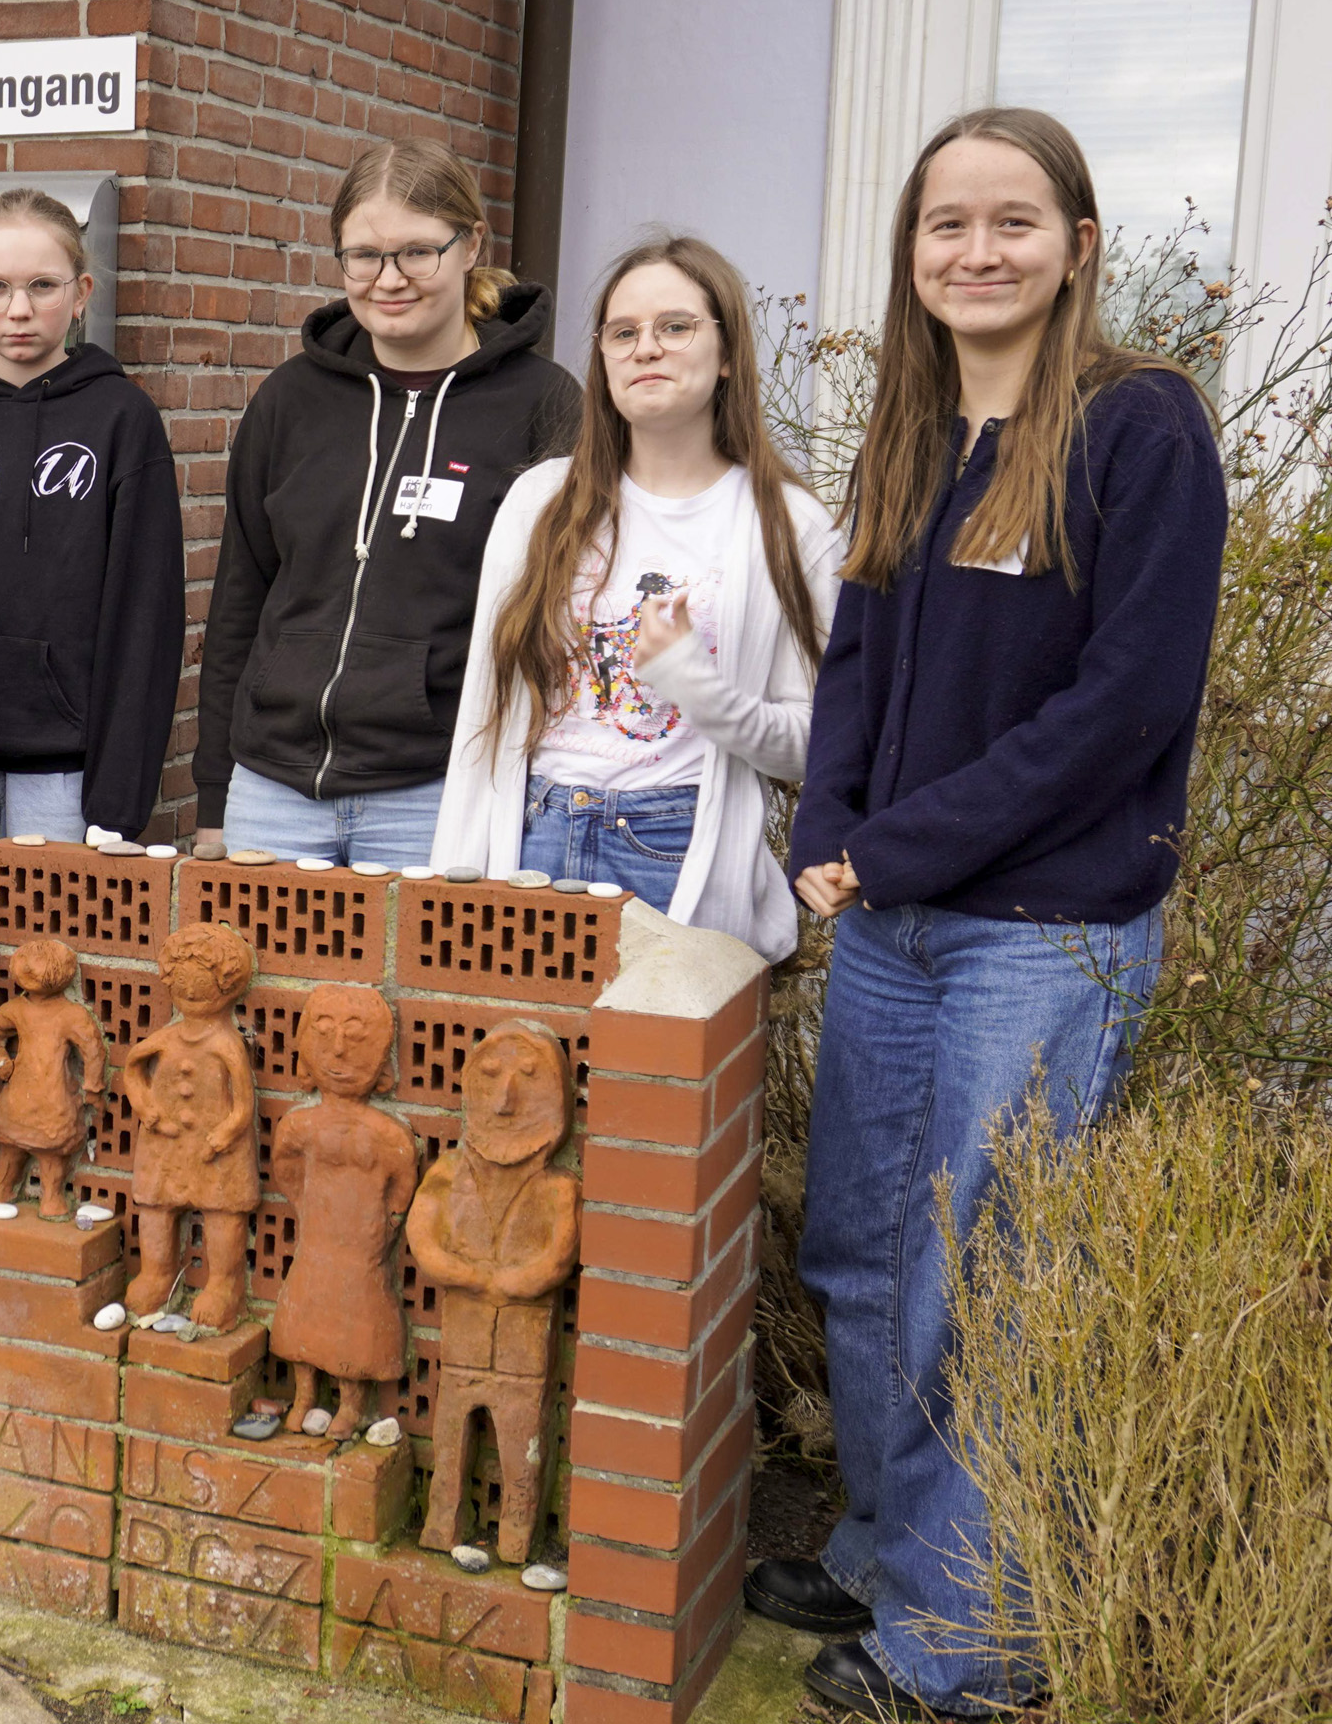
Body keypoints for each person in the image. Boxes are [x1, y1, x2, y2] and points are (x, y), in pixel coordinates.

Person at [746, 109, 1226, 1720]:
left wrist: (902, 842)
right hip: (896, 926)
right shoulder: (914, 427)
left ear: (1077, 244)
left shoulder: (1136, 427)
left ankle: (969, 1646)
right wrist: (829, 832)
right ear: (910, 256)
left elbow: (1122, 705)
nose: (974, 249)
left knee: (987, 1267)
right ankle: (889, 1553)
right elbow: (860, 668)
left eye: (1010, 221)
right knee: (866, 1252)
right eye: (943, 224)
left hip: (1040, 929)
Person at [431, 236, 842, 961]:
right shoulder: (540, 502)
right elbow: (483, 717)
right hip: (534, 835)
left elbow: (816, 745)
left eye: (675, 326)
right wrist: (455, 882)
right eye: (624, 332)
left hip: (675, 846)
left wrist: (699, 687)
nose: (646, 347)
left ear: (725, 354)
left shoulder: (787, 525)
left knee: (651, 1073)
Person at [192, 139, 582, 865]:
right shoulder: (290, 400)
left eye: (416, 253)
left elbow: (561, 618)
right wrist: (214, 795)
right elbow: (240, 602)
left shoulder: (543, 405)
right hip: (272, 793)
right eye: (363, 256)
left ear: (471, 246)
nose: (387, 279)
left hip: (433, 795)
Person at [0, 187, 183, 844]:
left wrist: (118, 804)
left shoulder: (122, 420)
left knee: (51, 948)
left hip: (66, 771)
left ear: (81, 293)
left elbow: (145, 618)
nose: (19, 309)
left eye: (43, 285)